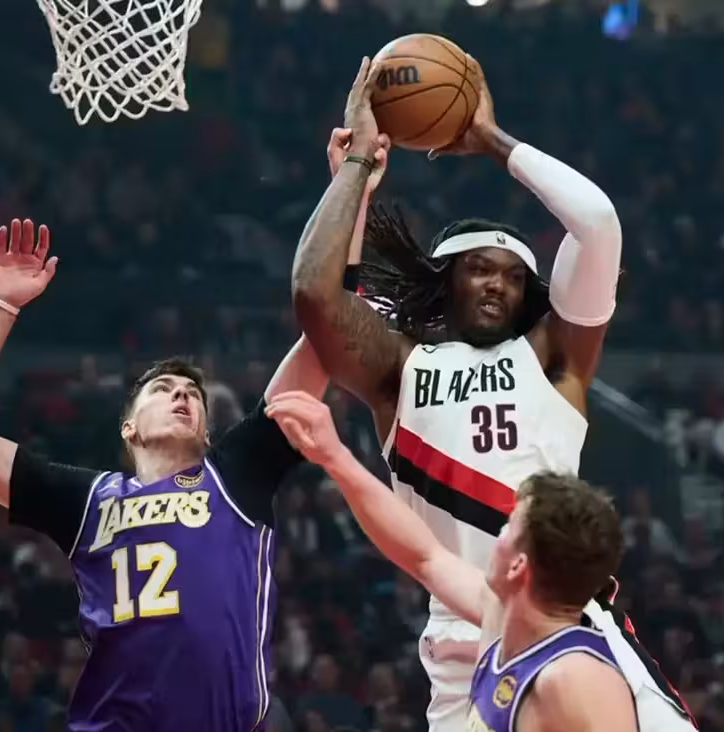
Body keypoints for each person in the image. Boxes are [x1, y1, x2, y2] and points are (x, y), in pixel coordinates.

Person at [292, 58, 694, 732]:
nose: (496, 285)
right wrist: (356, 169)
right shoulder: (399, 366)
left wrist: (491, 140)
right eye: (479, 268)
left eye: (513, 277)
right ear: (446, 278)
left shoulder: (555, 356)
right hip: (462, 638)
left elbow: (598, 223)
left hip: (567, 625)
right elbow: (315, 294)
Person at [0, 215, 383, 732]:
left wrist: (353, 196)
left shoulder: (235, 474)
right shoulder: (88, 499)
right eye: (163, 389)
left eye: (193, 394)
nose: (181, 394)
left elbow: (326, 326)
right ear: (129, 428)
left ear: (207, 433)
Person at [265, 391, 637, 732]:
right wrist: (334, 457)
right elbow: (424, 555)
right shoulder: (502, 616)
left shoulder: (576, 679)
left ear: (518, 567)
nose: (498, 533)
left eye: (509, 527)